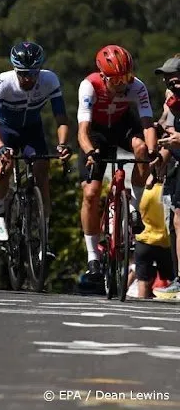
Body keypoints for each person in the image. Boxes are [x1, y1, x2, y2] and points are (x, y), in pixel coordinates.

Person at [77, 44, 158, 280]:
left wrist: (151, 152)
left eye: (127, 77)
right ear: (103, 75)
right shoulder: (89, 85)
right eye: (116, 80)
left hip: (123, 125)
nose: (123, 84)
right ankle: (92, 254)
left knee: (142, 147)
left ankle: (134, 208)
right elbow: (83, 130)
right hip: (97, 133)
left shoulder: (137, 86)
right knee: (91, 194)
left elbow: (146, 124)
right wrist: (91, 151)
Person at [0, 42, 71, 243]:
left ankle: (44, 232)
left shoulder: (49, 80)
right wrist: (0, 147)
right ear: (15, 69)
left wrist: (63, 144)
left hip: (32, 129)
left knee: (42, 171)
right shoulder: (3, 82)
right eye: (23, 73)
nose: (28, 78)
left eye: (33, 73)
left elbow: (61, 119)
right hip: (5, 131)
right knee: (3, 169)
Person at [152, 56, 180, 299]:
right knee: (175, 222)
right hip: (175, 163)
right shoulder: (171, 99)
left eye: (172, 77)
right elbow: (164, 123)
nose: (168, 81)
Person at [133, 173, 174, 299]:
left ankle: (140, 312)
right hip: (166, 243)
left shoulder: (145, 191)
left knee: (143, 284)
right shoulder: (169, 192)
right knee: (171, 283)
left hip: (144, 240)